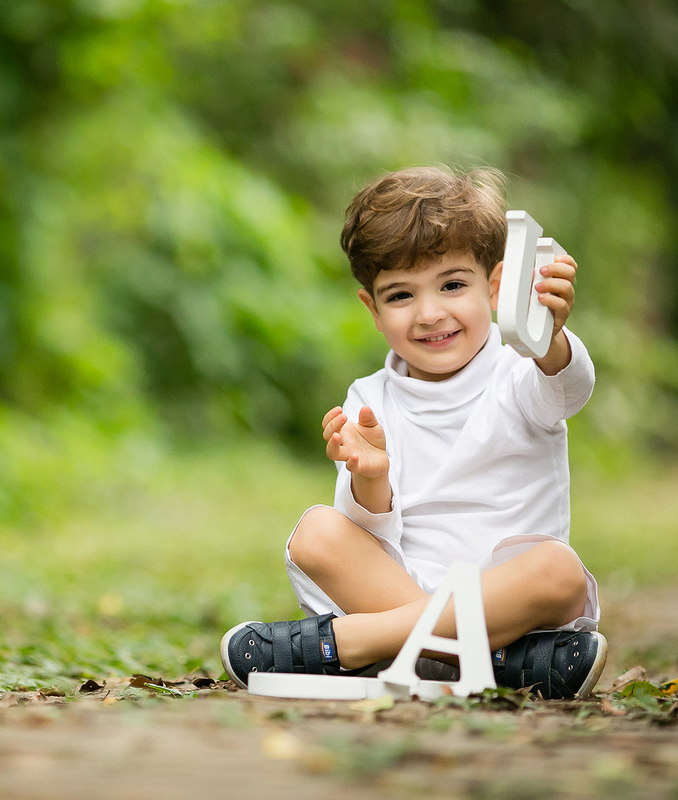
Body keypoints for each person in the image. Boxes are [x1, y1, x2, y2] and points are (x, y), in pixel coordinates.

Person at [220, 165, 607, 699]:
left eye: (452, 285)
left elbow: (569, 388)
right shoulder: (368, 399)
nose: (429, 313)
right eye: (401, 296)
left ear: (494, 287)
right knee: (316, 532)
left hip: (503, 595)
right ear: (372, 309)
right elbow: (369, 533)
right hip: (396, 591)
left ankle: (355, 645)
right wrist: (371, 479)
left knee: (558, 570)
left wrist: (551, 339)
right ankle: (499, 663)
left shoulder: (521, 370)